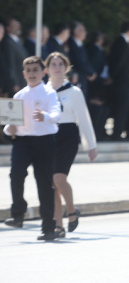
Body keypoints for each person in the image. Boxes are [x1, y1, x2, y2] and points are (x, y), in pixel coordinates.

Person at [3, 56, 62, 241]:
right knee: (16, 174)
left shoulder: (49, 92)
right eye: (28, 71)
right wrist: (8, 128)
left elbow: (56, 113)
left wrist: (44, 115)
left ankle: (48, 228)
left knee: (44, 183)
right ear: (23, 74)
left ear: (43, 72)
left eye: (35, 70)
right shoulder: (19, 95)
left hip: (45, 141)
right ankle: (18, 213)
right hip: (22, 141)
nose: (32, 74)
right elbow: (10, 123)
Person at [45, 52, 98, 237]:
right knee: (51, 184)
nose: (57, 67)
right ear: (47, 69)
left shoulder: (74, 92)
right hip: (50, 136)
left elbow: (83, 119)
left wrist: (90, 145)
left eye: (60, 64)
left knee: (59, 178)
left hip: (68, 136)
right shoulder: (44, 91)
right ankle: (58, 225)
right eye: (53, 64)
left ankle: (72, 211)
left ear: (66, 68)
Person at [107, 22, 129, 140]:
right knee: (121, 109)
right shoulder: (122, 43)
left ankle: (117, 133)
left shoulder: (121, 42)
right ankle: (116, 134)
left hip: (122, 82)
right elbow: (118, 63)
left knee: (122, 109)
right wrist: (112, 76)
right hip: (122, 82)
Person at [66, 21, 96, 100]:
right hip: (76, 78)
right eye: (83, 30)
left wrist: (91, 72)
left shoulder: (80, 45)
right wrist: (90, 72)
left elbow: (85, 61)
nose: (85, 33)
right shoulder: (71, 44)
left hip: (82, 78)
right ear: (75, 31)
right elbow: (78, 61)